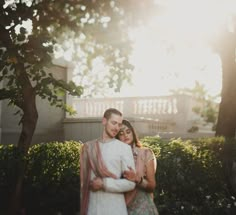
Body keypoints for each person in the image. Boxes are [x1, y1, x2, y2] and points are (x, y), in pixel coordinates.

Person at [80, 108, 136, 215]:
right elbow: (83, 184)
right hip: (92, 208)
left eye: (119, 125)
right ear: (104, 121)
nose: (116, 128)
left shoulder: (124, 148)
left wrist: (104, 183)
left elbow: (130, 184)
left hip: (115, 208)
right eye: (114, 123)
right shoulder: (88, 147)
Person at [116, 119, 159, 215]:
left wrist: (137, 179)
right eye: (121, 133)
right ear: (117, 138)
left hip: (143, 208)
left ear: (133, 133)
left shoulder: (145, 153)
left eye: (128, 132)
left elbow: (151, 186)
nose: (125, 135)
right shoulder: (114, 157)